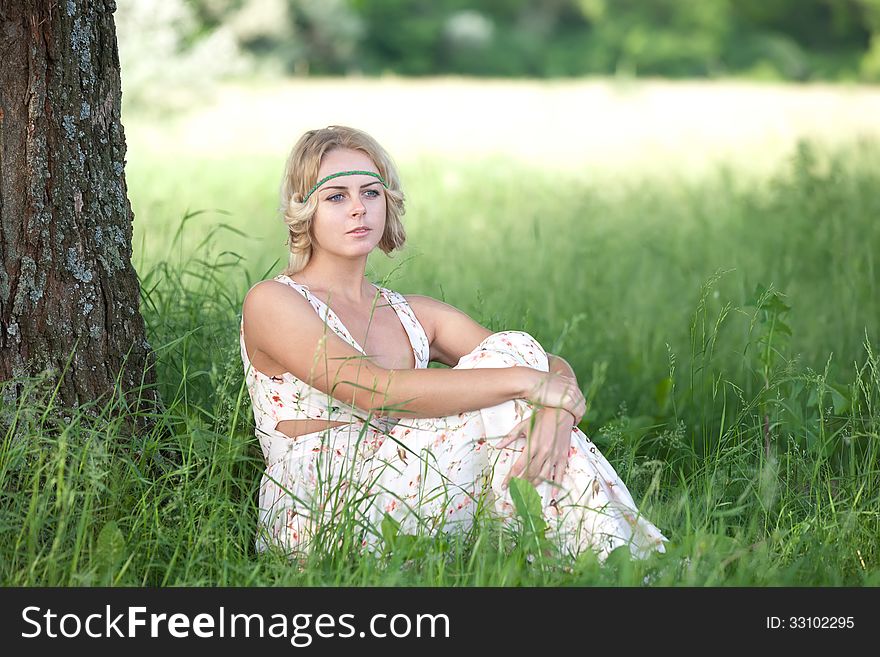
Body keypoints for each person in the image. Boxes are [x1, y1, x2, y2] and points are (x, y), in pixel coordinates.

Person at [239, 125, 668, 564]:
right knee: (513, 382)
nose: (358, 209)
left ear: (388, 202)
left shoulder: (413, 313)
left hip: (410, 486)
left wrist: (557, 412)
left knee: (514, 355)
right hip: (323, 511)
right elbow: (375, 390)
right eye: (336, 196)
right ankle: (628, 562)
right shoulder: (274, 301)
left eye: (370, 193)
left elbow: (540, 359)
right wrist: (529, 386)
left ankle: (601, 562)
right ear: (304, 209)